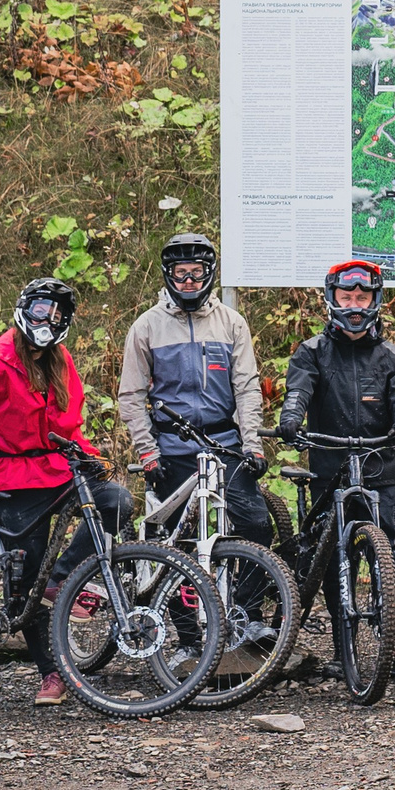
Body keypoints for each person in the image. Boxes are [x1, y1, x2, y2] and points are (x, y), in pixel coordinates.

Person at [0, 277, 130, 706]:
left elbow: (66, 426)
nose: (50, 319)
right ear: (27, 309)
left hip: (57, 467)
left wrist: (87, 454)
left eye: (59, 314)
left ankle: (59, 581)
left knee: (115, 501)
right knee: (24, 582)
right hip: (12, 478)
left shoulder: (61, 361)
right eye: (43, 310)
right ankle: (51, 673)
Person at [274, 261, 395, 675]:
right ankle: (344, 650)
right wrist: (291, 417)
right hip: (330, 467)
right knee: (328, 556)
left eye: (362, 297)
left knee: (389, 556)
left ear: (375, 300)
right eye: (347, 297)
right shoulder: (311, 352)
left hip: (378, 470)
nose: (355, 306)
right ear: (332, 298)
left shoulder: (392, 356)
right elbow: (299, 388)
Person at [116, 231, 274, 557]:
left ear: (209, 272)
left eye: (196, 272)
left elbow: (246, 388)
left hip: (224, 447)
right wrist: (148, 453)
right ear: (168, 274)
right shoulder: (146, 327)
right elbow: (130, 395)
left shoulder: (231, 323)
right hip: (172, 449)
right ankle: (180, 609)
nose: (188, 281)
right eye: (180, 272)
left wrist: (252, 445)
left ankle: (249, 607)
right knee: (175, 542)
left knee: (256, 525)